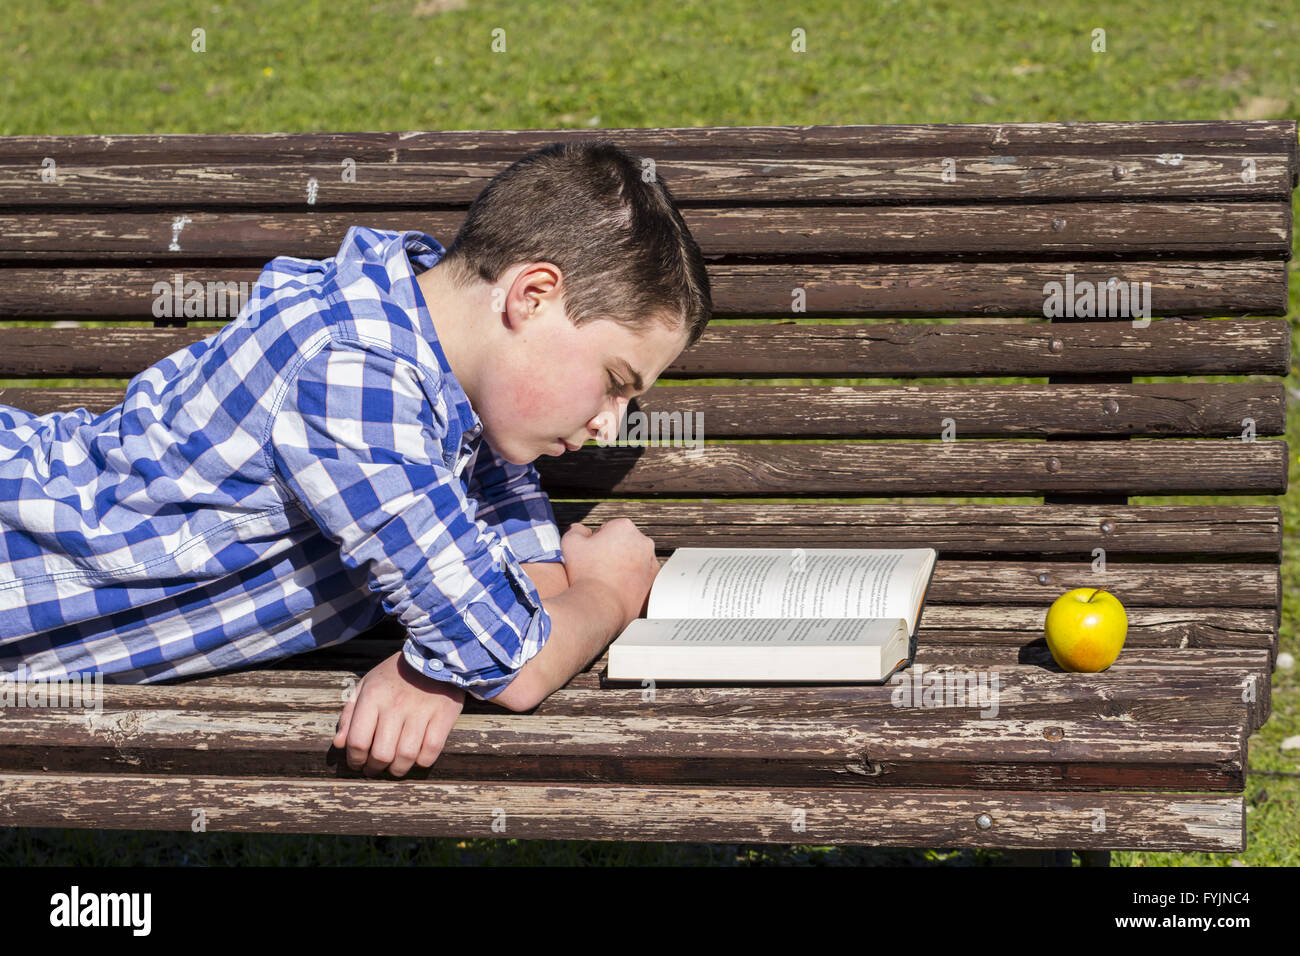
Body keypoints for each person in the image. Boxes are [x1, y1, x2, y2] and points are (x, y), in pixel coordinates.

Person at [0, 138, 713, 778]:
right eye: (616, 381)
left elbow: (510, 599)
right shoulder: (354, 377)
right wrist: (612, 593)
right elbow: (517, 658)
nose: (609, 422)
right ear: (533, 295)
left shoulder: (445, 364)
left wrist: (441, 666)